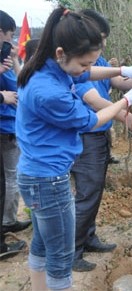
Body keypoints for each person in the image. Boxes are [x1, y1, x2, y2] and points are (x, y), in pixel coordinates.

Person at [15, 7, 132, 290]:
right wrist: (126, 102)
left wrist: (120, 70)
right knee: (61, 256)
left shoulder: (48, 67)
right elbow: (91, 120)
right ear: (62, 53)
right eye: (85, 63)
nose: (88, 69)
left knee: (42, 243)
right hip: (48, 181)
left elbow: (84, 74)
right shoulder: (49, 92)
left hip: (35, 174)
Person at [71, 9, 132, 272]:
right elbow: (94, 100)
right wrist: (125, 113)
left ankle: (88, 236)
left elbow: (116, 79)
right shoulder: (77, 63)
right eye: (101, 38)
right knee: (86, 193)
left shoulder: (95, 56)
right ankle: (72, 250)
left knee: (94, 191)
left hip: (100, 134)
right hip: (87, 136)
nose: (104, 44)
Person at [0, 10, 31, 239]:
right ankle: (7, 221)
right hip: (6, 126)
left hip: (7, 125)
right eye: (9, 34)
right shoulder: (5, 63)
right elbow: (20, 85)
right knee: (11, 177)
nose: (11, 40)